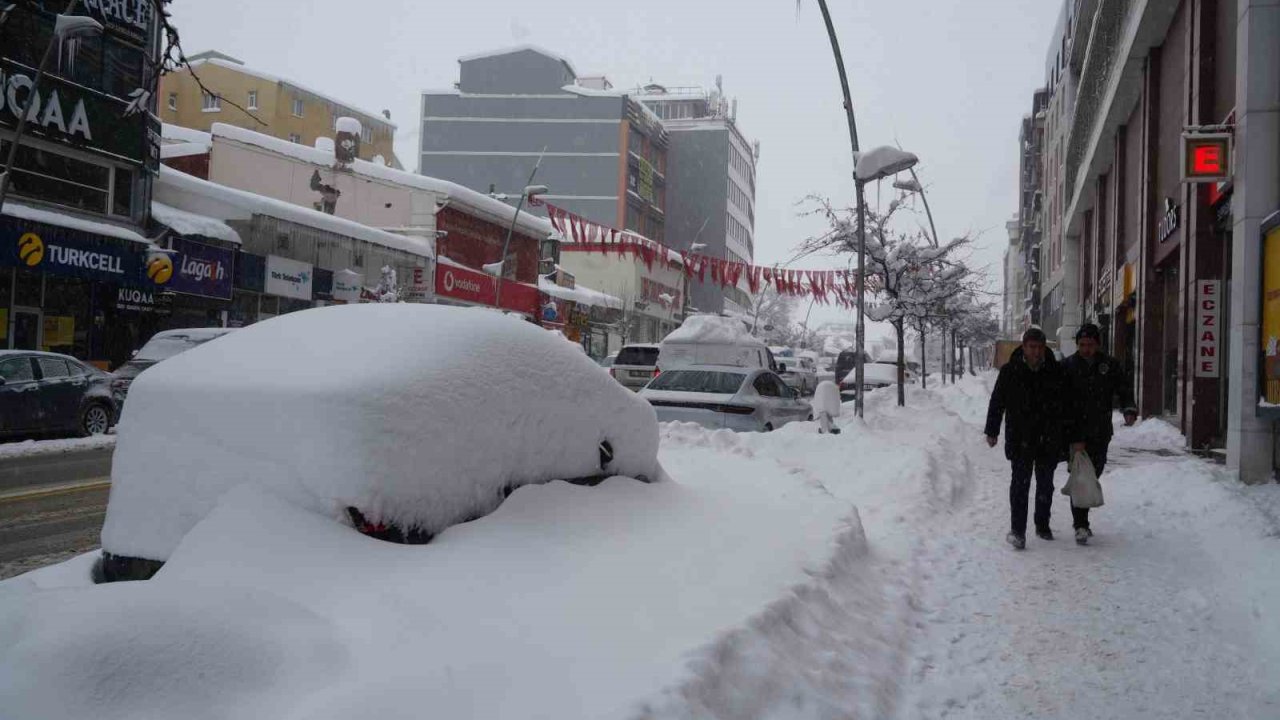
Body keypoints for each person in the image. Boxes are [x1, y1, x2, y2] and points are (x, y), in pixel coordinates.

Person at [984, 327, 1068, 550]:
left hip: (1048, 437)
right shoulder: (1010, 371)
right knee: (1020, 486)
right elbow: (997, 401)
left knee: (1045, 484)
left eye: (1040, 347)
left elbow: (1066, 405)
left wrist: (1066, 434)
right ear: (1024, 347)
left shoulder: (1055, 371)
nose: (1037, 351)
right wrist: (992, 430)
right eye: (1032, 347)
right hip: (1020, 437)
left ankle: (1042, 525)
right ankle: (1018, 531)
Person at [1061, 323, 1137, 545]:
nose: (1086, 349)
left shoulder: (1109, 365)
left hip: (1100, 430)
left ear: (1098, 344)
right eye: (1082, 345)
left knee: (1095, 471)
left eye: (1090, 345)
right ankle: (1081, 524)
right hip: (1075, 431)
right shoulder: (1067, 366)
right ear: (1077, 345)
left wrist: (1129, 408)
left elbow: (1124, 389)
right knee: (1080, 475)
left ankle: (1082, 519)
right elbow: (1058, 398)